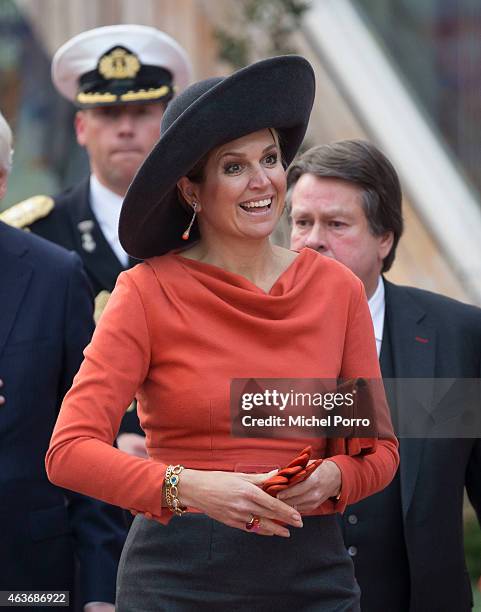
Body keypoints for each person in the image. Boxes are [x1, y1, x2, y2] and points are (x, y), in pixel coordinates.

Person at [46, 56, 399, 611]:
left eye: (271, 159)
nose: (262, 181)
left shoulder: (336, 290)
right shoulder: (145, 292)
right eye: (233, 167)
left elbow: (376, 452)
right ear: (191, 188)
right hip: (178, 581)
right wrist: (191, 489)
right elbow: (69, 451)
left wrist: (333, 476)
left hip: (315, 577)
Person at [287, 139, 481, 612]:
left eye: (336, 224)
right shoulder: (247, 334)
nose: (313, 240)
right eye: (301, 222)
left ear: (385, 238)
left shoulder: (458, 335)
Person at [2, 24, 192, 456]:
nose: (125, 128)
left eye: (143, 111)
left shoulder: (208, 230)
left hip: (195, 484)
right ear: (81, 127)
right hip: (65, 488)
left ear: (168, 123)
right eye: (108, 115)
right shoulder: (30, 236)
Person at [0, 111, 126, 611]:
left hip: (29, 586)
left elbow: (90, 440)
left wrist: (100, 593)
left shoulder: (55, 275)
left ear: (2, 179)